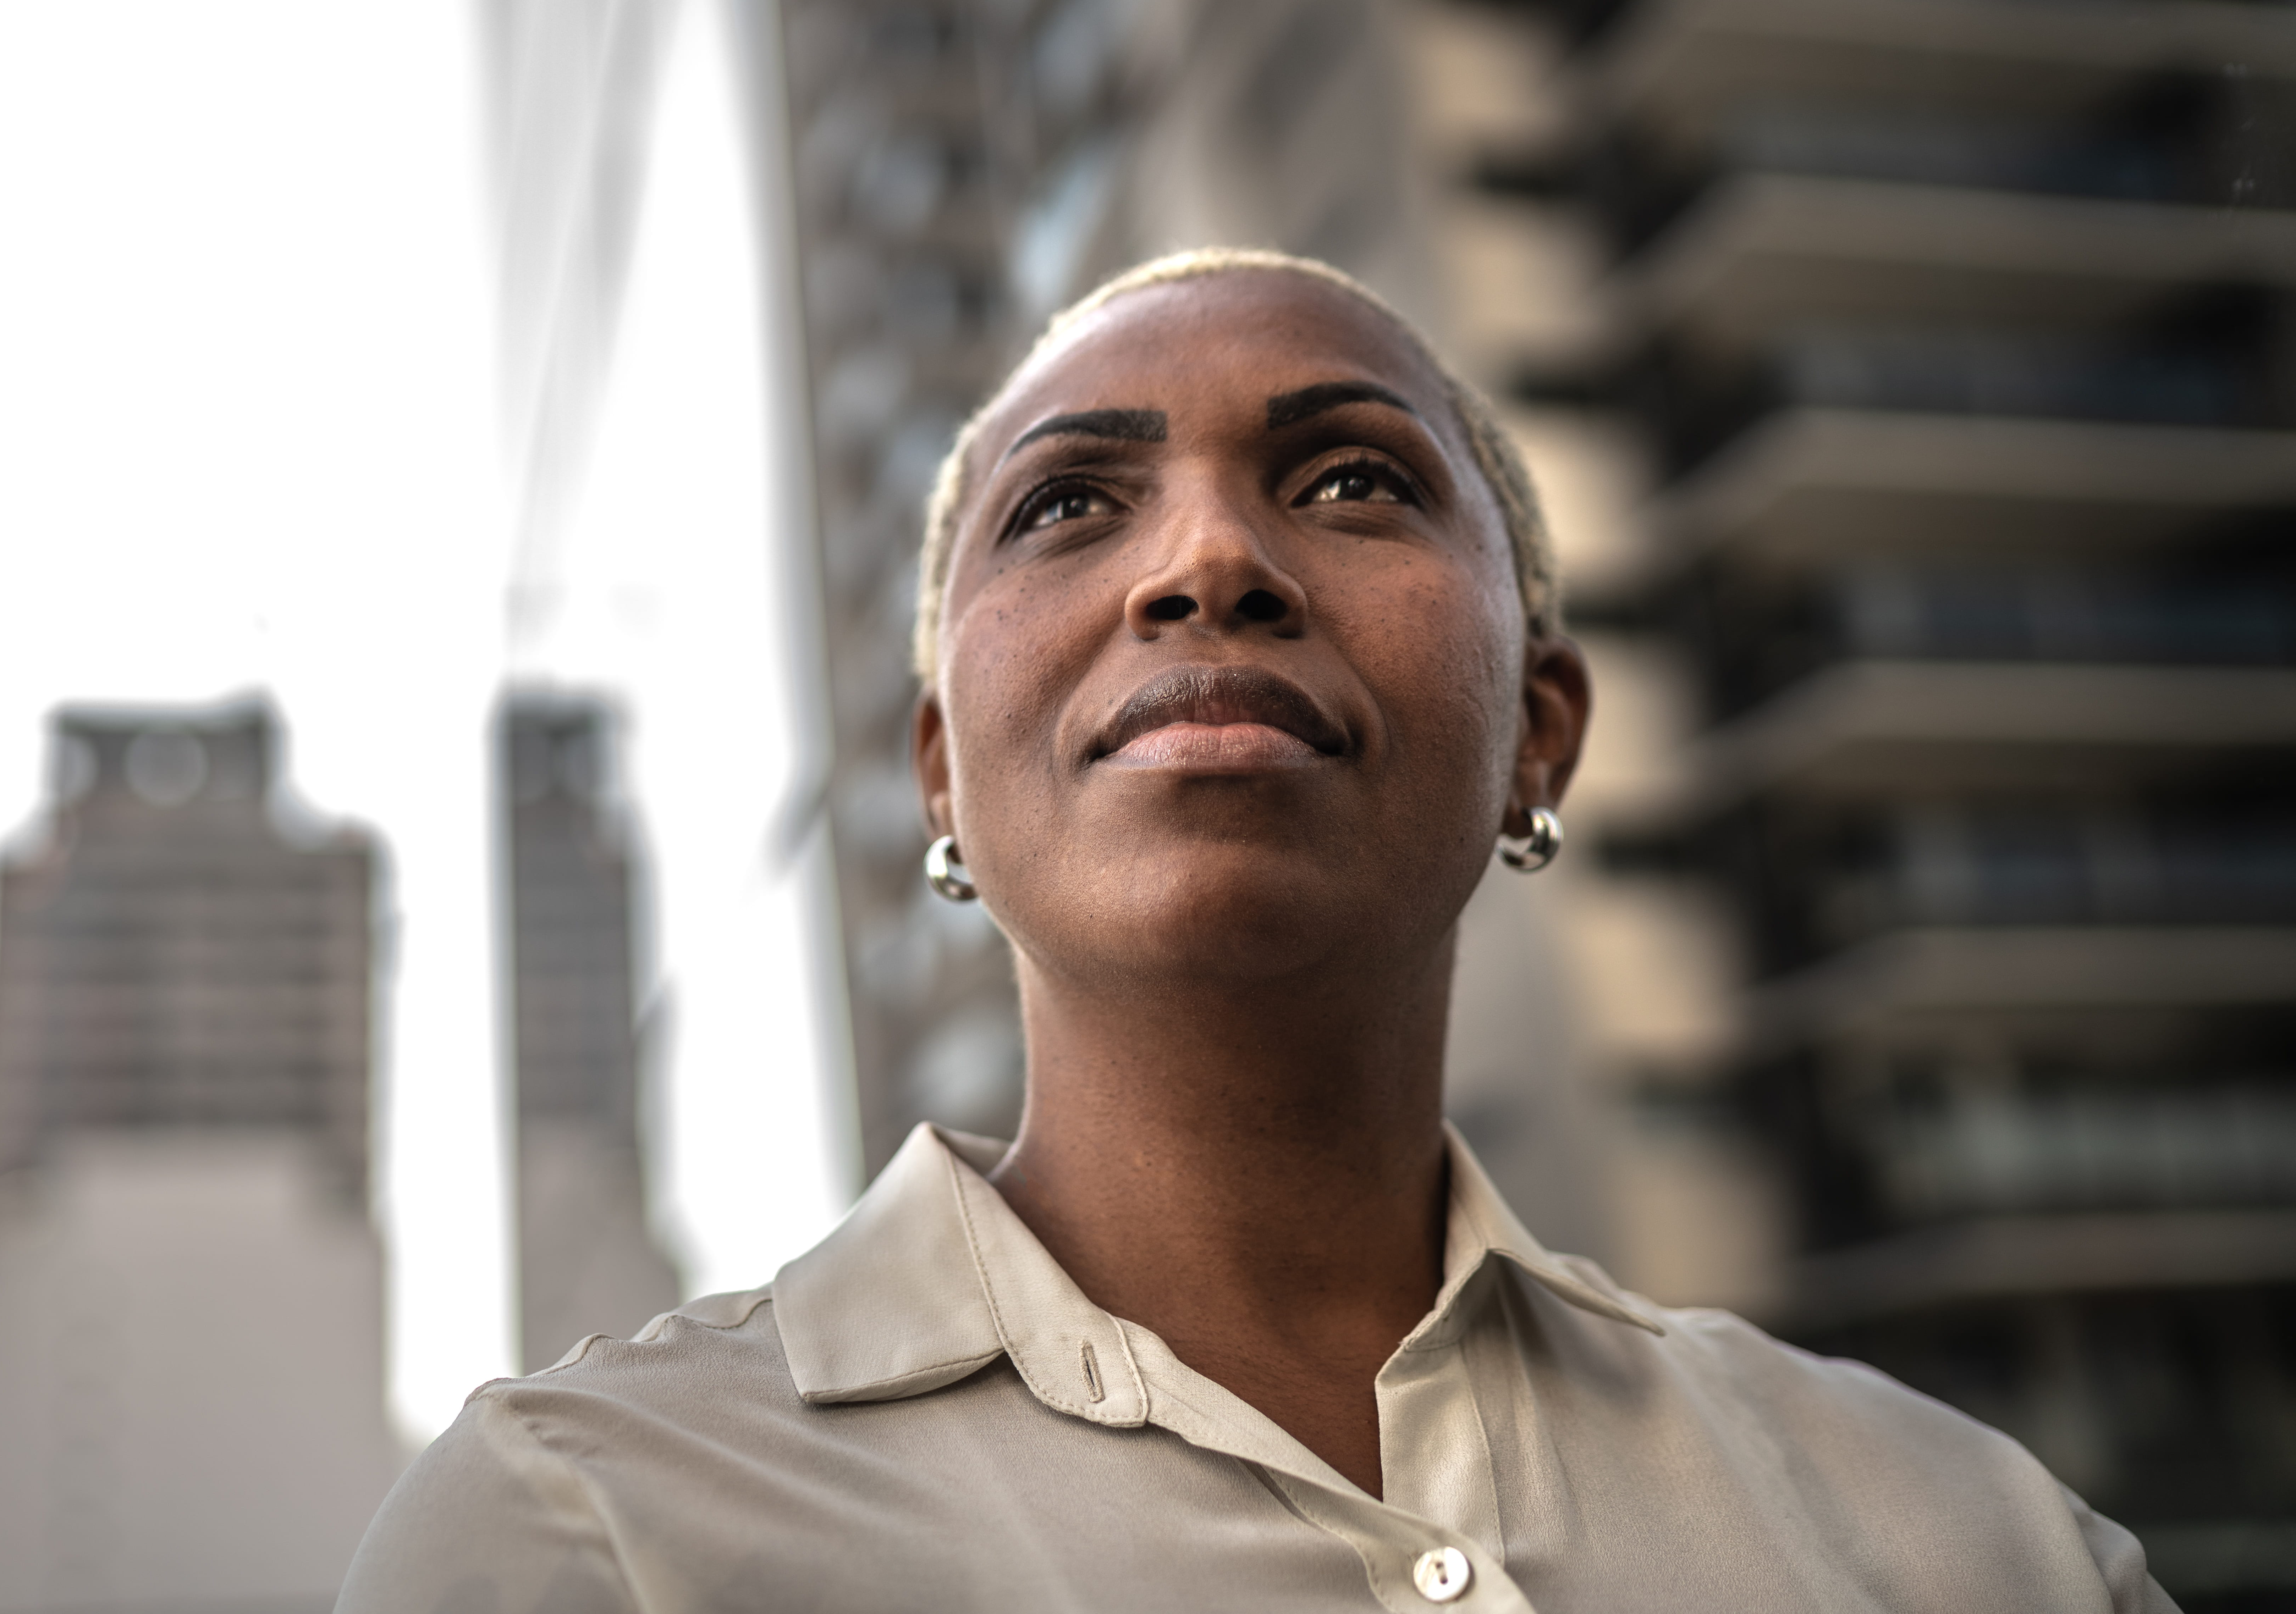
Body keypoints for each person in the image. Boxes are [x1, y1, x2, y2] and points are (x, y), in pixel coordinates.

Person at [339, 250, 2173, 1613]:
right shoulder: (576, 1534)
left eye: (1355, 478)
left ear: (1538, 727)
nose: (1205, 559)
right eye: (1069, 505)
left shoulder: (1976, 1543)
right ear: (942, 782)